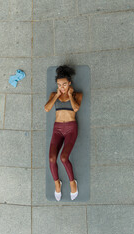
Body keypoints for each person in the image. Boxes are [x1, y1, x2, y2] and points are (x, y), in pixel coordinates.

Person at [44, 65, 83, 201]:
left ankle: (73, 182)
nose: (62, 87)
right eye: (59, 85)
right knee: (51, 159)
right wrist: (57, 96)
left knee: (64, 158)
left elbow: (76, 108)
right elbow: (47, 108)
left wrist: (70, 95)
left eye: (64, 84)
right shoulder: (54, 95)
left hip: (71, 128)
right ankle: (57, 183)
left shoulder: (77, 94)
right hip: (57, 129)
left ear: (69, 83)